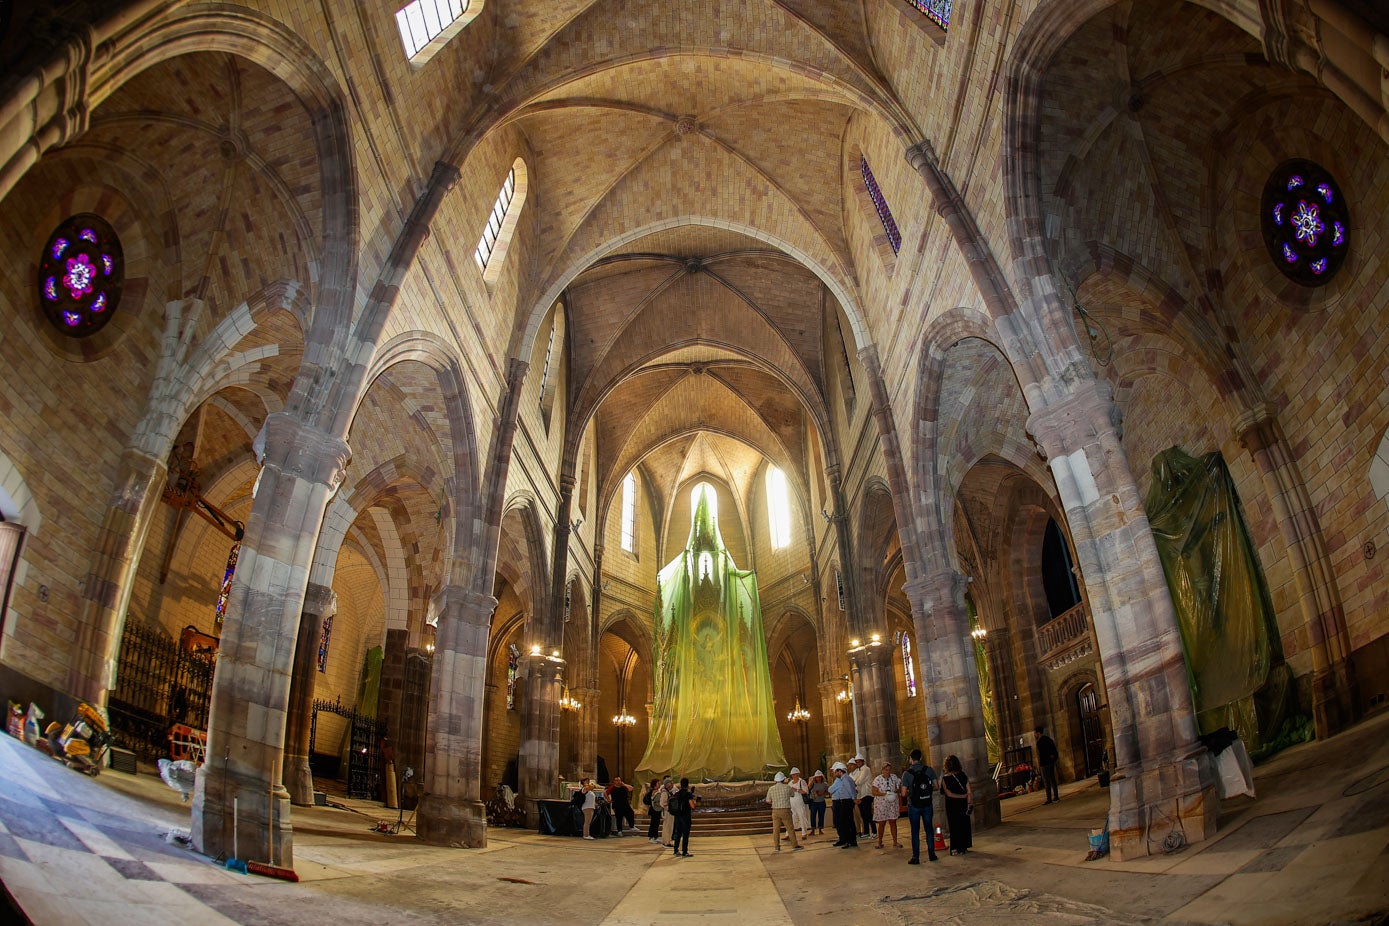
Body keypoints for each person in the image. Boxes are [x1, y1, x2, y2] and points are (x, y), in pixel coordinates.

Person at [899, 748, 938, 864]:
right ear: (920, 758)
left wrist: (912, 792)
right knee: (929, 829)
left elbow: (903, 793)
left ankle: (916, 857)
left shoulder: (907, 774)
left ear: (910, 759)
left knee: (915, 831)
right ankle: (932, 854)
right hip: (927, 804)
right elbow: (936, 786)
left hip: (914, 805)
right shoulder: (929, 770)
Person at [941, 755, 973, 855]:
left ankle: (955, 848)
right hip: (963, 804)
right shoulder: (963, 775)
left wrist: (961, 796)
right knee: (964, 824)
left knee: (954, 826)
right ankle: (963, 847)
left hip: (952, 805)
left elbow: (948, 793)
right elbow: (969, 791)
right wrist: (969, 802)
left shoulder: (945, 779)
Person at [765, 772, 802, 851]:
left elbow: (768, 800)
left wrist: (774, 803)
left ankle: (777, 847)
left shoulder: (771, 789)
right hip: (785, 810)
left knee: (776, 830)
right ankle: (794, 846)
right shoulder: (787, 787)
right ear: (783, 780)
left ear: (775, 780)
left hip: (775, 811)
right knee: (790, 828)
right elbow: (792, 795)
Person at [872, 761, 902, 849]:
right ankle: (880, 841)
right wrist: (885, 794)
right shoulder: (877, 779)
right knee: (882, 823)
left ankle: (895, 842)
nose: (887, 772)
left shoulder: (894, 777)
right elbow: (874, 791)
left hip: (892, 804)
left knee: (893, 822)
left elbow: (898, 788)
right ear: (882, 770)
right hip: (881, 804)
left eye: (889, 770)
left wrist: (895, 793)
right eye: (885, 770)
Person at [828, 761, 858, 848]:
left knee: (846, 822)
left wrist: (854, 799)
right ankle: (851, 841)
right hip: (846, 801)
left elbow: (850, 790)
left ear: (840, 771)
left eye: (835, 772)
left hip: (847, 801)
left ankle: (849, 841)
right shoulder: (846, 778)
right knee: (848, 822)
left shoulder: (845, 779)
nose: (835, 774)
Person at [670, 777, 698, 857]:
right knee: (685, 834)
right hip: (685, 817)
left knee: (678, 834)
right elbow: (692, 806)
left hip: (677, 816)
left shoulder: (677, 793)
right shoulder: (688, 794)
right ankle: (684, 851)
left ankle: (676, 850)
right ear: (688, 785)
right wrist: (695, 801)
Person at [850, 756, 874, 838]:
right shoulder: (860, 770)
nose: (858, 763)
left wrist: (854, 782)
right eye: (856, 762)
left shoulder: (866, 769)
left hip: (867, 794)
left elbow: (859, 781)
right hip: (861, 795)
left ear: (862, 762)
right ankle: (866, 832)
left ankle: (874, 831)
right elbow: (855, 781)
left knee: (868, 814)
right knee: (864, 815)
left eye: (859, 762)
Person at [1036, 726, 1060, 804]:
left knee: (1046, 782)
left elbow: (1039, 754)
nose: (1034, 735)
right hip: (1050, 762)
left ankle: (1049, 798)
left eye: (1035, 733)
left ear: (1038, 733)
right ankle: (1056, 796)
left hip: (1044, 763)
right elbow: (1054, 750)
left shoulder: (1039, 742)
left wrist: (1039, 765)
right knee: (1053, 780)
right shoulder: (1049, 739)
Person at [787, 767, 810, 839]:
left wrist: (796, 790)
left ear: (798, 774)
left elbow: (805, 791)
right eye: (793, 775)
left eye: (796, 774)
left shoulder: (801, 781)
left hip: (799, 801)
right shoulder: (790, 783)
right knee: (792, 817)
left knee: (801, 815)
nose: (794, 776)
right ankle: (788, 833)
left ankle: (804, 832)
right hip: (792, 801)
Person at [807, 770, 829, 835]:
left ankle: (820, 829)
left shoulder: (825, 784)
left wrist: (822, 793)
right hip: (814, 802)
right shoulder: (813, 783)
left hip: (821, 801)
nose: (818, 778)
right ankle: (813, 829)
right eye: (817, 777)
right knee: (813, 816)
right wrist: (812, 781)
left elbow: (828, 792)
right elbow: (808, 787)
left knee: (821, 816)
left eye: (819, 777)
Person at [659, 778, 676, 847]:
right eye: (671, 783)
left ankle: (665, 841)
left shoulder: (668, 792)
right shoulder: (665, 792)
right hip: (667, 812)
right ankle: (667, 842)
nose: (672, 784)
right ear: (667, 784)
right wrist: (669, 807)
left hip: (669, 812)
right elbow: (663, 803)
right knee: (668, 827)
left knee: (668, 827)